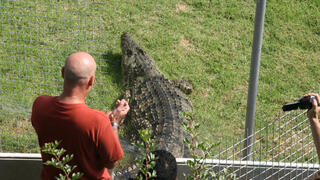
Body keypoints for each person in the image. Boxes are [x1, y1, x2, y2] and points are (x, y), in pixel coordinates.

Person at [31, 52, 130, 180]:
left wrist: (103, 124)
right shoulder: (97, 122)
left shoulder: (40, 105)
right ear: (91, 80)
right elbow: (111, 162)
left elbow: (68, 127)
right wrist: (113, 123)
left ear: (62, 73)